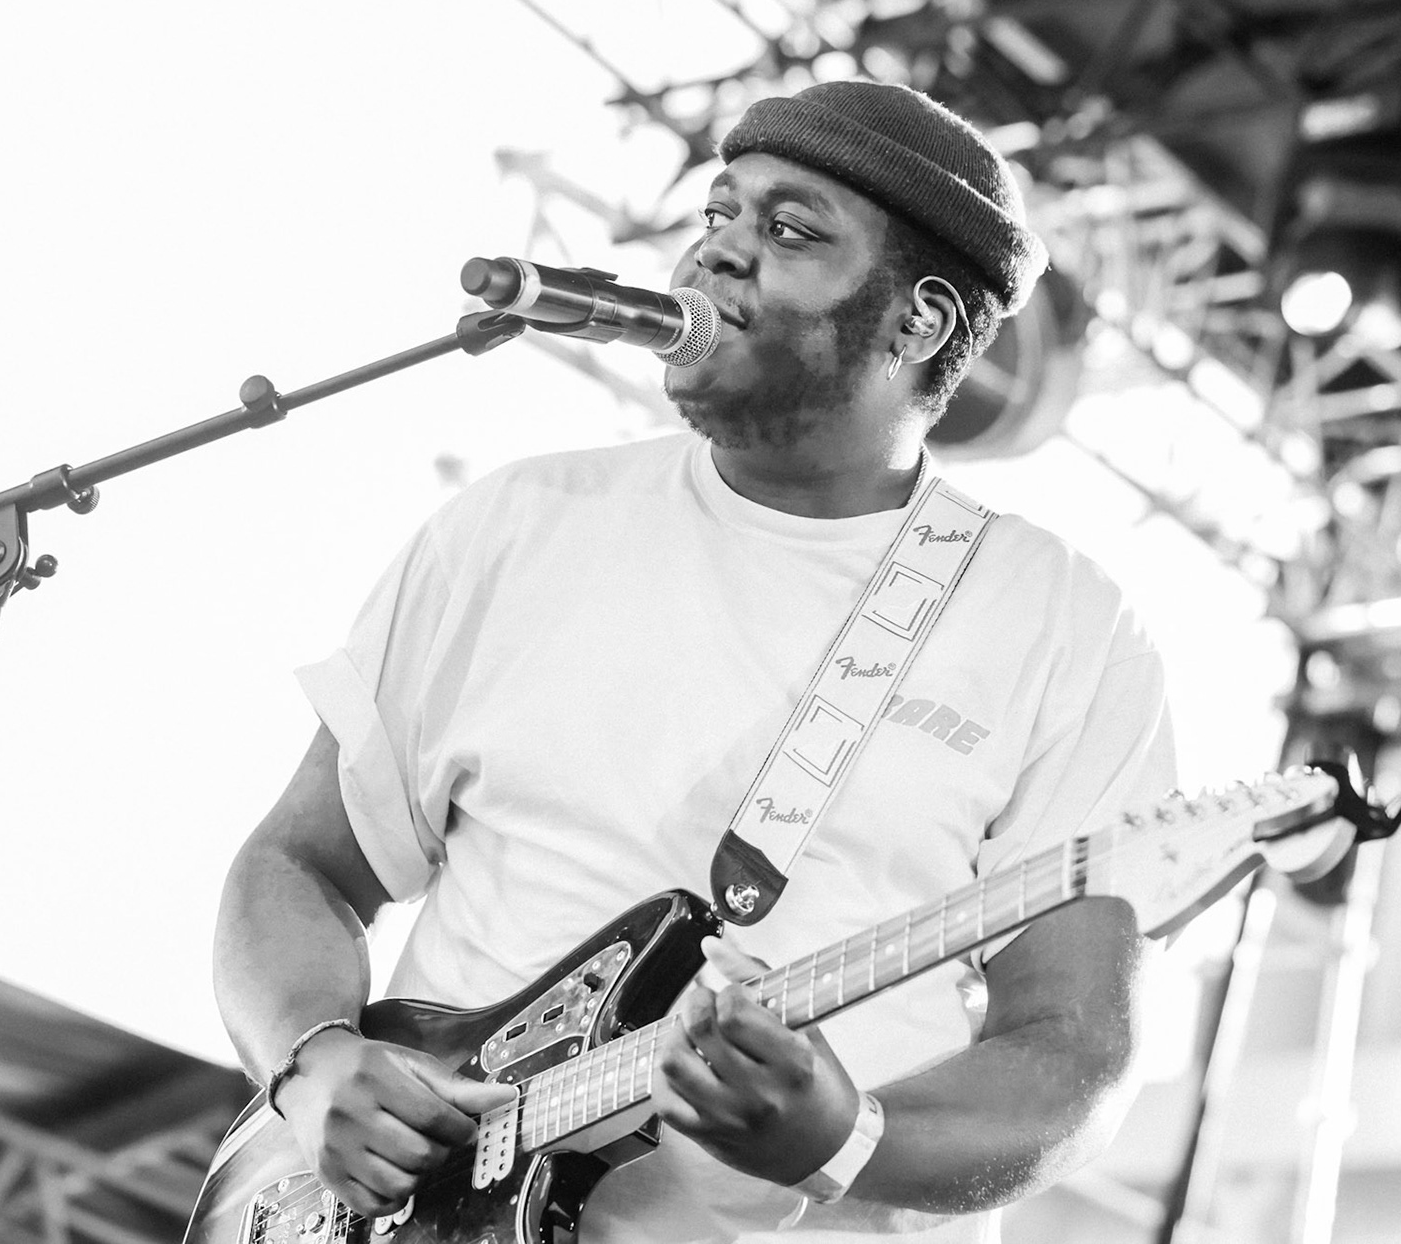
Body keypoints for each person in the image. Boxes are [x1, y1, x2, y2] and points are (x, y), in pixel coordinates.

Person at [213, 80, 1175, 1243]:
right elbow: (298, 862)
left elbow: (1074, 1052)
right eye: (719, 210)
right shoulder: (524, 524)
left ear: (918, 323)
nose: (718, 250)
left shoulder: (1058, 621)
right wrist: (311, 1060)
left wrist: (848, 1135)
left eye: (788, 229)